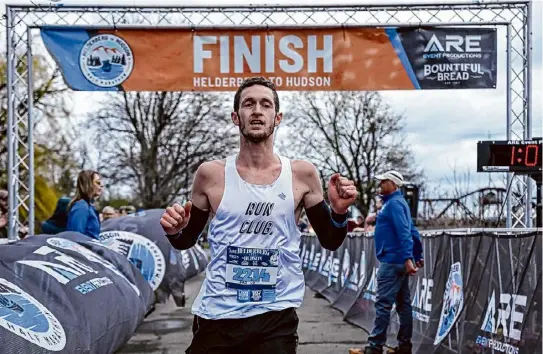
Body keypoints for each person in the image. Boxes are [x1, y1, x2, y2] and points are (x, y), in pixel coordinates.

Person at [159, 76, 358, 354]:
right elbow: (186, 239)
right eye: (248, 104)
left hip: (275, 315)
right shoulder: (211, 174)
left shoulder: (302, 174)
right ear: (235, 116)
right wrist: (174, 230)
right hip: (219, 313)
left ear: (277, 117)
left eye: (265, 104)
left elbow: (331, 240)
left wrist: (339, 211)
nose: (256, 110)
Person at [358, 170, 423, 354]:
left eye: (383, 182)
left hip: (392, 260)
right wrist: (416, 255)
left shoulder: (393, 204)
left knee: (383, 304)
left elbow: (404, 232)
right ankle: (404, 347)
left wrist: (410, 257)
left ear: (393, 184)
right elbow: (412, 231)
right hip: (397, 259)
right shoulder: (397, 203)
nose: (380, 185)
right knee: (403, 305)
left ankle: (374, 347)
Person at [66, 170, 103, 239]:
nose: (102, 185)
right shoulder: (81, 206)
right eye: (98, 182)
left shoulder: (89, 206)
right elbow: (75, 237)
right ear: (88, 184)